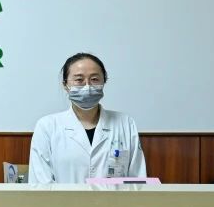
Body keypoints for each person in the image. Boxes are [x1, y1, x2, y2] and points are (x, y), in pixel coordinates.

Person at [29, 52, 145, 183]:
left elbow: (138, 180)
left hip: (115, 197)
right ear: (65, 85)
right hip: (62, 197)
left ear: (104, 81)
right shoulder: (47, 126)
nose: (87, 86)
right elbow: (41, 183)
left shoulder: (125, 123)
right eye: (79, 80)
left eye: (94, 79)